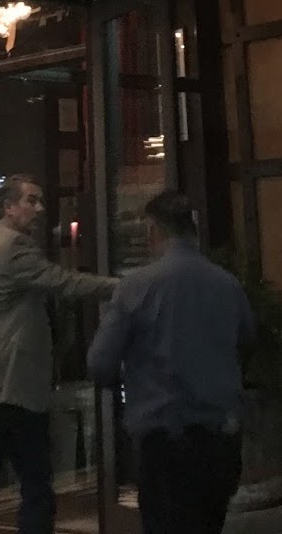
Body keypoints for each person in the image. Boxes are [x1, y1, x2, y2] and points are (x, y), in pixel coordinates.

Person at [0, 174, 118, 534]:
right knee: (35, 487)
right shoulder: (13, 246)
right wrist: (122, 286)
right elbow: (63, 282)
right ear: (8, 207)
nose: (40, 209)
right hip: (6, 387)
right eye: (31, 200)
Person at [87, 190, 256, 534]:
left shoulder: (136, 286)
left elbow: (100, 363)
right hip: (221, 439)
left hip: (164, 442)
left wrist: (129, 381)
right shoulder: (228, 284)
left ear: (153, 231)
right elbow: (247, 342)